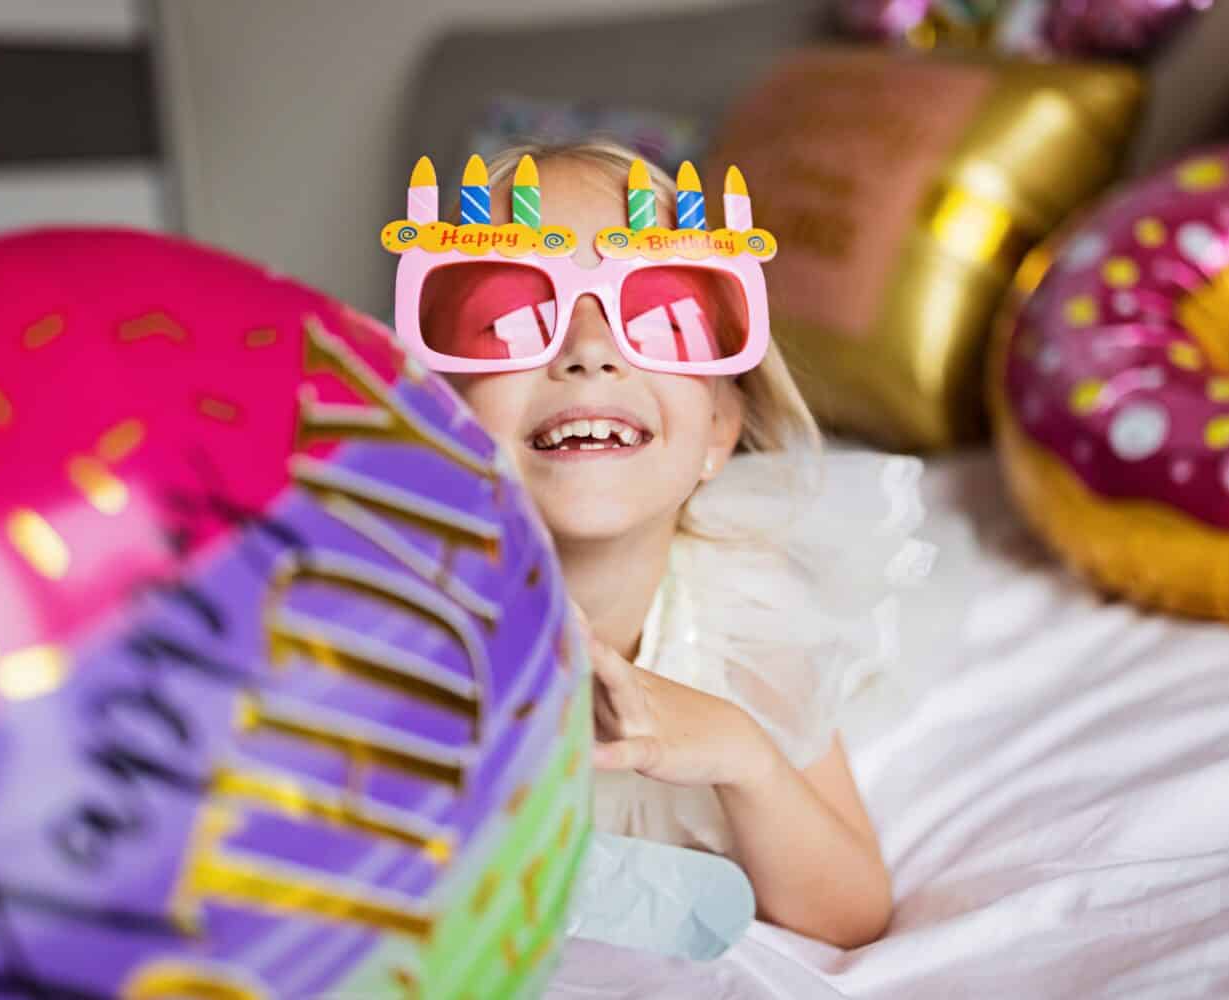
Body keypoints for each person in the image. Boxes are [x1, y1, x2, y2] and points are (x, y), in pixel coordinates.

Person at [394, 140, 933, 948]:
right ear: (441, 418)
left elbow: (853, 913)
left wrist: (742, 755)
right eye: (504, 318)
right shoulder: (387, 623)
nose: (587, 349)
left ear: (720, 430)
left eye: (657, 317)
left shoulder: (751, 618)